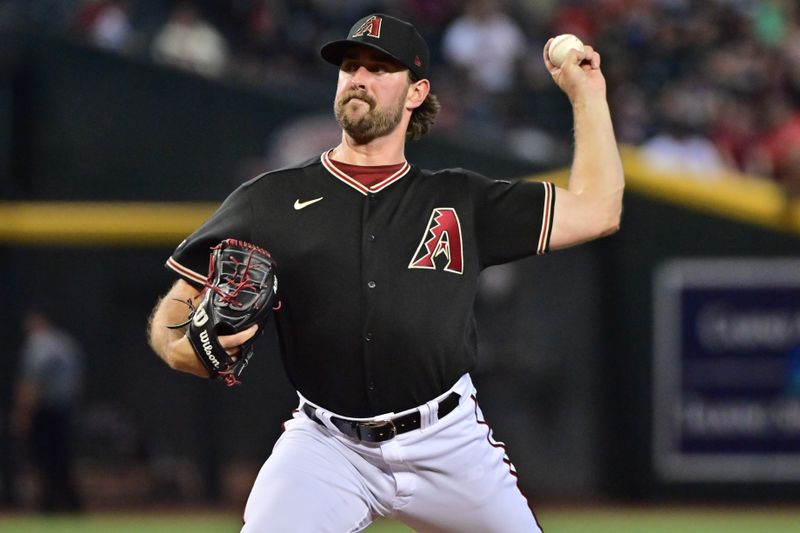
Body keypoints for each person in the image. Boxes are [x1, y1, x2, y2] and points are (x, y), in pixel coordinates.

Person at [147, 13, 623, 532]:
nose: (359, 77)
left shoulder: (460, 199)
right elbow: (178, 299)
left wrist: (587, 93)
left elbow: (599, 209)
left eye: (379, 68)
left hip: (449, 443)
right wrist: (176, 345)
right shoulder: (270, 200)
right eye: (350, 66)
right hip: (328, 446)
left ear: (416, 92)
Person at [11, 310, 84, 512]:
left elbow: (32, 383)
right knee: (62, 459)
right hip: (64, 410)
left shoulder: (37, 343)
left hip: (43, 411)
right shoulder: (67, 344)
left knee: (41, 459)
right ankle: (71, 504)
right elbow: (77, 383)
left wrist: (23, 415)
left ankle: (47, 504)